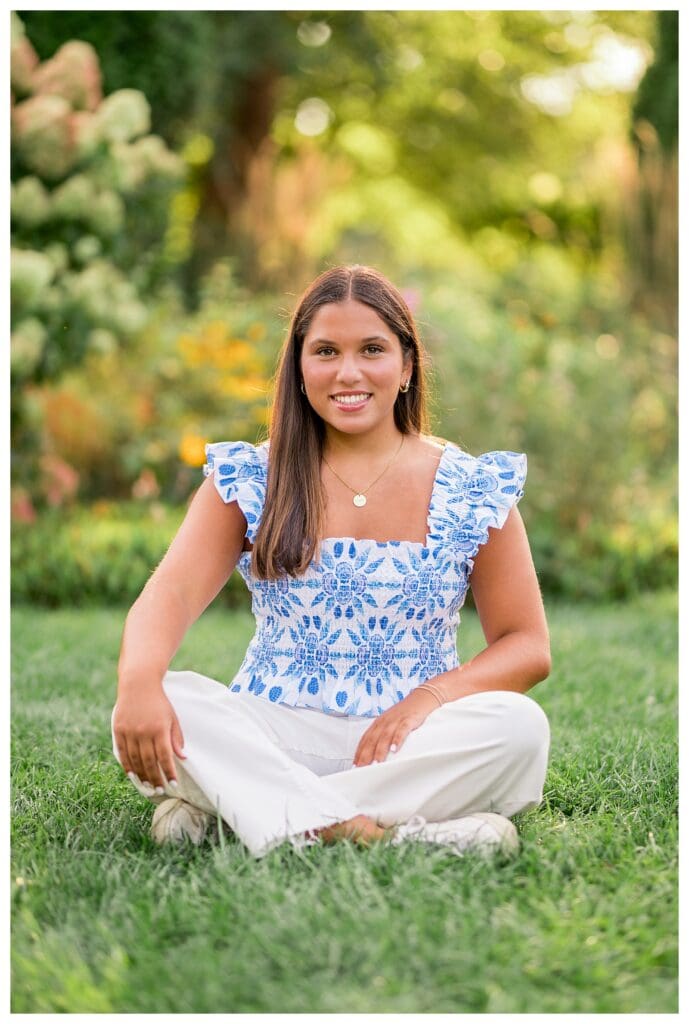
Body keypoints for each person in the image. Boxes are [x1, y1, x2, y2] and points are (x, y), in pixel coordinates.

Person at [111, 264, 551, 859]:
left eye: (372, 349)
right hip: (272, 730)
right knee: (164, 700)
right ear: (299, 368)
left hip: (409, 740)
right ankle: (387, 833)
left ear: (407, 365)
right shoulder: (250, 477)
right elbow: (170, 596)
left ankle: (250, 810)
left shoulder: (473, 485)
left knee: (519, 729)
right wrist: (139, 683)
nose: (349, 372)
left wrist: (429, 700)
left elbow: (526, 644)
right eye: (325, 351)